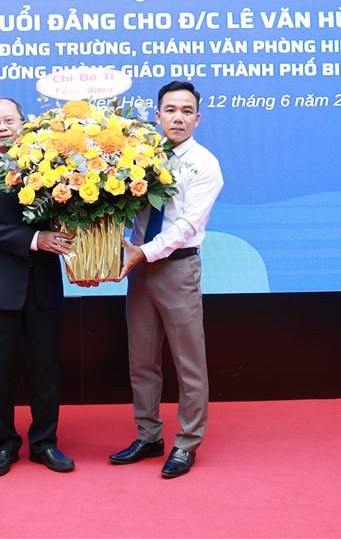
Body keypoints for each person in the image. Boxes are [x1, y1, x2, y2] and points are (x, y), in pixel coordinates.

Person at [110, 80, 224, 479]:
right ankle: (148, 436)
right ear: (157, 115)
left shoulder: (205, 164)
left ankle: (187, 442)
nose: (178, 117)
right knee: (141, 358)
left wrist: (143, 252)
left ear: (197, 118)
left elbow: (189, 224)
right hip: (141, 268)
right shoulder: (143, 157)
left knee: (188, 362)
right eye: (170, 110)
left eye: (186, 111)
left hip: (177, 267)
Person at [0, 98, 76, 476]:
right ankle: (5, 444)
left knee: (45, 368)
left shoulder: (49, 165)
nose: (3, 128)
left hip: (42, 284)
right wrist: (36, 239)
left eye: (9, 120)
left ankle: (45, 443)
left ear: (24, 124)